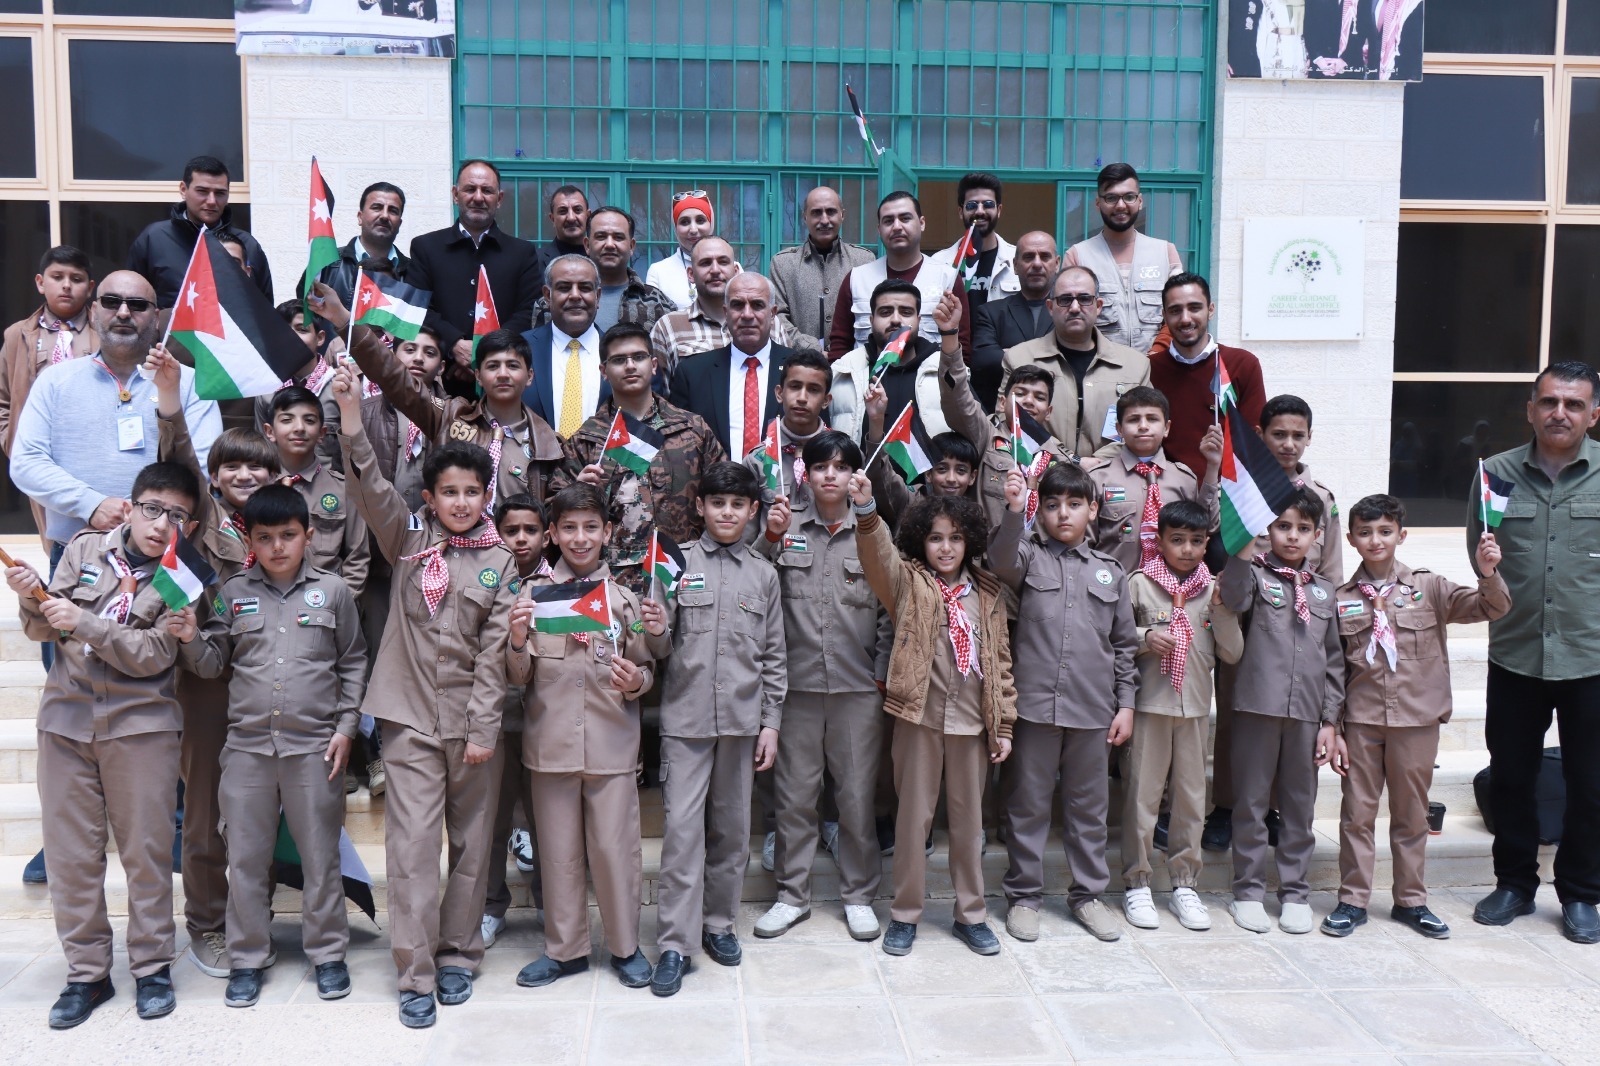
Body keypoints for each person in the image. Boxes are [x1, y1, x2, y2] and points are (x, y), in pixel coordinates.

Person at [332, 366, 516, 1029]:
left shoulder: (502, 562)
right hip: (408, 718)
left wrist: (483, 730)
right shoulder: (408, 543)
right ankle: (415, 973)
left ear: (485, 496)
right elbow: (372, 489)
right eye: (449, 492)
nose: (461, 502)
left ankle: (459, 954)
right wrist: (350, 416)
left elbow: (495, 654)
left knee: (471, 845)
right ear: (431, 498)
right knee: (411, 850)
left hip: (471, 725)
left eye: (471, 492)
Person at [9, 460, 204, 1029]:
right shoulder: (83, 549)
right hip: (66, 720)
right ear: (131, 506)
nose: (162, 524)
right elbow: (45, 627)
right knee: (71, 856)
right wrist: (30, 598)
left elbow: (154, 655)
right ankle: (87, 973)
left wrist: (86, 623)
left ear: (188, 526)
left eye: (177, 516)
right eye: (153, 509)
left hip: (141, 726)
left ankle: (152, 968)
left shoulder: (181, 578)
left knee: (146, 853)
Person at [181, 483, 367, 1007]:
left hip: (315, 747)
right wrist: (190, 638)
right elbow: (213, 664)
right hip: (247, 749)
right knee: (245, 857)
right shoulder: (233, 592)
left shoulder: (333, 591)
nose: (278, 547)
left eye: (288, 535)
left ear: (308, 535)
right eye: (265, 538)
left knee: (320, 856)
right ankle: (247, 958)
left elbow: (353, 660)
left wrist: (347, 726)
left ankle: (327, 954)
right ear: (250, 541)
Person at [1322, 493, 1509, 940]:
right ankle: (1352, 900)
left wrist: (1488, 574)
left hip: (1416, 722)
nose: (1375, 540)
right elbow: (1333, 668)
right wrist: (1335, 725)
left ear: (1401, 535)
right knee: (1356, 814)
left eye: (1385, 531)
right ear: (1351, 539)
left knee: (1411, 815)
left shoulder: (1431, 588)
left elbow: (1493, 607)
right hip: (1363, 722)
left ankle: (1411, 900)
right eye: (1365, 532)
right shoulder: (1341, 599)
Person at [148, 344, 276, 979]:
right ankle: (205, 923)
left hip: (268, 684)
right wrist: (171, 401)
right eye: (233, 469)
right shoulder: (204, 523)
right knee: (202, 812)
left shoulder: (283, 529)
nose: (245, 477)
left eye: (258, 469)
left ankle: (254, 915)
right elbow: (180, 459)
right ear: (217, 478)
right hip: (206, 683)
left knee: (259, 812)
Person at [1468, 361, 1600, 944]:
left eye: (1574, 404)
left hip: (1590, 657)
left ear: (1593, 415)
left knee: (1590, 785)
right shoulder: (1495, 475)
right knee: (1512, 778)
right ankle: (1515, 884)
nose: (1559, 413)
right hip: (1516, 653)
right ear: (1530, 409)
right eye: (1549, 401)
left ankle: (1582, 893)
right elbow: (1481, 556)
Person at [854, 479, 1014, 957]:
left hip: (972, 724)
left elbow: (1001, 662)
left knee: (969, 825)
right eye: (936, 538)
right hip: (918, 719)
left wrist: (1003, 724)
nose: (946, 548)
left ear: (970, 542)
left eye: (956, 538)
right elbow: (877, 558)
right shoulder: (909, 582)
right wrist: (866, 509)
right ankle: (905, 914)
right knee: (913, 821)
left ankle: (971, 914)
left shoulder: (987, 592)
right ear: (921, 542)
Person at [508, 483, 657, 991]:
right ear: (552, 534)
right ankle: (565, 950)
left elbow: (647, 668)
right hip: (550, 747)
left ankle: (625, 947)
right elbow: (518, 675)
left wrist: (636, 682)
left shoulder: (624, 601)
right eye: (568, 528)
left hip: (611, 747)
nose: (580, 537)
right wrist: (516, 640)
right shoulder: (532, 598)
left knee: (616, 852)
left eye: (591, 527)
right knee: (558, 855)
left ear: (608, 533)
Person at [645, 461, 786, 996]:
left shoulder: (764, 574)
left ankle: (719, 924)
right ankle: (675, 944)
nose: (727, 513)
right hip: (687, 721)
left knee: (731, 831)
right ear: (701, 507)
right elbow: (658, 647)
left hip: (743, 723)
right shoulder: (676, 563)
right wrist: (655, 629)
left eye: (738, 505)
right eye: (718, 503)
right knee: (683, 833)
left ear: (753, 511)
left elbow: (774, 656)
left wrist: (771, 723)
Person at [753, 431, 894, 944]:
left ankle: (858, 896)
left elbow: (890, 604)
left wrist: (880, 672)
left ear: (855, 475)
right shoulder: (784, 525)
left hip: (858, 689)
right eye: (820, 467)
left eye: (840, 466)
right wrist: (769, 538)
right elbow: (752, 583)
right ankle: (792, 896)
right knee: (794, 798)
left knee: (856, 798)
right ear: (805, 475)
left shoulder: (871, 529)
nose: (830, 475)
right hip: (796, 689)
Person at [989, 461, 1137, 943]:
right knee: (1028, 805)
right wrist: (1016, 510)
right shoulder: (1028, 556)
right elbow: (1000, 560)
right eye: (1052, 505)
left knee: (1088, 810)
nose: (1063, 514)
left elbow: (1123, 646)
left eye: (1075, 504)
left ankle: (1088, 895)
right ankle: (1024, 896)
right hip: (1034, 708)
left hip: (1093, 710)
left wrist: (1126, 704)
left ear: (1093, 509)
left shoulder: (1111, 572)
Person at [1207, 392, 1341, 853]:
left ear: (1309, 438)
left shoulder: (1322, 498)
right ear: (1260, 434)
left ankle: (1276, 809)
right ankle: (1227, 805)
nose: (1288, 443)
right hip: (1248, 619)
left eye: (1297, 435)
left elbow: (1331, 571)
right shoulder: (1244, 484)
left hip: (1300, 622)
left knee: (1292, 722)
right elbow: (1216, 534)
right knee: (1237, 716)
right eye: (1278, 434)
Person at [11, 271, 222, 553]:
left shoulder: (189, 383)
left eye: (137, 305)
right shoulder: (54, 380)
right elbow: (26, 462)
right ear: (94, 311)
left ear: (156, 318)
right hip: (75, 552)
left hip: (164, 552)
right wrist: (91, 504)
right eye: (111, 302)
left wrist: (143, 515)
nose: (123, 313)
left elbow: (204, 467)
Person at [1215, 487, 1344, 935]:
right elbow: (1232, 598)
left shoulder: (1324, 592)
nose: (1292, 536)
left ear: (1317, 535)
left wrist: (1330, 721)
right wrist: (1241, 551)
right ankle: (1248, 892)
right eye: (1283, 526)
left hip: (1307, 714)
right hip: (1258, 708)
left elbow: (1334, 662)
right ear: (1268, 530)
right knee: (1251, 804)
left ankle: (1295, 893)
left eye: (1303, 529)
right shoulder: (1253, 575)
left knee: (1299, 807)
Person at [313, 282, 566, 508]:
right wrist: (343, 319)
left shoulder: (549, 445)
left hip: (516, 546)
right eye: (492, 366)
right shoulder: (451, 416)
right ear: (478, 376)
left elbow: (555, 518)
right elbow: (393, 376)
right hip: (449, 544)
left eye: (512, 366)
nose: (502, 374)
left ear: (529, 376)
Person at [1119, 499, 1242, 932]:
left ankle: (1185, 883)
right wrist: (1145, 637)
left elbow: (1232, 652)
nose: (1187, 549)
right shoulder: (1138, 585)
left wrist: (1222, 610)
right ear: (1159, 541)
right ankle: (1137, 882)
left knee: (1191, 799)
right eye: (1177, 540)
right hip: (1150, 707)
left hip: (1194, 710)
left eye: (1196, 541)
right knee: (1142, 797)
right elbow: (1114, 638)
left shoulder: (1213, 590)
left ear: (1207, 544)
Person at [554, 322, 724, 597]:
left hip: (688, 575)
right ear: (604, 371)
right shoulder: (586, 440)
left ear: (654, 365)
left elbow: (724, 494)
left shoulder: (693, 430)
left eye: (639, 357)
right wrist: (577, 491)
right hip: (615, 586)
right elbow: (554, 514)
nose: (630, 366)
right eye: (619, 360)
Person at [355, 325, 447, 796]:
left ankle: (432, 746)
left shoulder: (450, 416)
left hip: (432, 557)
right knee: (378, 655)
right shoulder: (366, 411)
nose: (418, 358)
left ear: (441, 366)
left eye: (430, 352)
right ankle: (376, 754)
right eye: (410, 348)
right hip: (376, 559)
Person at [406, 159, 544, 393]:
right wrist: (454, 345)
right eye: (470, 189)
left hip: (502, 380)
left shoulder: (522, 252)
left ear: (499, 199)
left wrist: (483, 354)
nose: (478, 197)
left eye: (487, 190)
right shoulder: (426, 247)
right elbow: (417, 307)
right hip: (441, 380)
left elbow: (528, 311)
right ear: (455, 194)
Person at [480, 494, 550, 949]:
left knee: (548, 819)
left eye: (530, 530)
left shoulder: (560, 583)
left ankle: (551, 901)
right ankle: (490, 906)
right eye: (511, 531)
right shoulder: (486, 578)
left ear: (546, 535)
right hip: (496, 717)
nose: (521, 539)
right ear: (497, 534)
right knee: (491, 818)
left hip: (545, 720)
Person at [998, 265, 1151, 458]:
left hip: (1113, 472)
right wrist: (1070, 460)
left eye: (1085, 299)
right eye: (1065, 300)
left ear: (1099, 306)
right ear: (1050, 307)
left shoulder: (1135, 366)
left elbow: (1147, 426)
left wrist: (1099, 463)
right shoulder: (1019, 358)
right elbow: (1006, 419)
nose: (1075, 308)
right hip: (1043, 471)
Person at [0, 246, 98, 547]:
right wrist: (13, 441)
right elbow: (4, 399)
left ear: (90, 287)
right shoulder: (18, 335)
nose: (66, 285)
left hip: (92, 450)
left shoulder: (105, 331)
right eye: (57, 277)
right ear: (41, 283)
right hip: (41, 453)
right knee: (54, 540)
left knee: (98, 534)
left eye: (76, 279)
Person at [1083, 386, 1220, 575]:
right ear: (1119, 429)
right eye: (1133, 419)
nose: (1143, 426)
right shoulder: (1098, 478)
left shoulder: (1184, 478)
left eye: (1152, 419)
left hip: (1173, 587)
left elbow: (1209, 527)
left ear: (1167, 428)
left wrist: (1212, 466)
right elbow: (1084, 542)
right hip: (1114, 585)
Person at [939, 342, 1072, 533]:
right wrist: (950, 339)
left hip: (1039, 551)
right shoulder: (985, 435)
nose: (1029, 401)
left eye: (1039, 397)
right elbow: (958, 397)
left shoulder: (1059, 460)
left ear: (1048, 411)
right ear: (1002, 402)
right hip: (988, 550)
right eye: (1020, 394)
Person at [1148, 273, 1266, 481]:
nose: (1185, 319)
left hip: (1227, 491)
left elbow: (1254, 440)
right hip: (1166, 489)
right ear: (1165, 316)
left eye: (1194, 308)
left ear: (1210, 310)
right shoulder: (1149, 369)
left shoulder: (1242, 364)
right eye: (1175, 310)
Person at [826, 192, 971, 360]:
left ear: (922, 223)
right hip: (866, 376)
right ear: (879, 230)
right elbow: (840, 347)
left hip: (930, 376)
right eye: (888, 221)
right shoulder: (856, 279)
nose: (896, 226)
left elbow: (962, 348)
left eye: (905, 218)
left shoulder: (947, 279)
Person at [669, 273, 795, 459]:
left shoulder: (799, 369)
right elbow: (678, 447)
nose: (747, 315)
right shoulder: (692, 373)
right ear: (726, 312)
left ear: (773, 313)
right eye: (738, 305)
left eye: (757, 305)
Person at [261, 387, 369, 600]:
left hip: (326, 605)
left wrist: (336, 606)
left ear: (322, 433)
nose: (299, 428)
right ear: (269, 431)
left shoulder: (344, 490)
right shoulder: (257, 487)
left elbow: (357, 559)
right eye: (287, 420)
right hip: (266, 602)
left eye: (309, 420)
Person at [652, 238, 814, 380]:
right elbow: (657, 395)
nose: (715, 270)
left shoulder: (771, 323)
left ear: (736, 271)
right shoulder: (669, 327)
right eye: (705, 263)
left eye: (723, 262)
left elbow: (787, 377)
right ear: (691, 274)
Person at [1063, 163, 1183, 353]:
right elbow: (1070, 317)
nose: (1120, 205)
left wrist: (1157, 352)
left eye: (1129, 197)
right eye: (1111, 198)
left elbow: (1179, 310)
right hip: (1098, 365)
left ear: (1140, 201)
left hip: (1156, 364)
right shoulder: (1077, 256)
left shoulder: (1165, 252)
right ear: (1098, 203)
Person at [126, 155, 272, 307]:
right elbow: (131, 301)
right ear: (183, 189)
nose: (211, 201)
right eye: (202, 191)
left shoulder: (248, 245)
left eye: (220, 193)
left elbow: (265, 311)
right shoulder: (154, 239)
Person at [829, 280, 956, 445]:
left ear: (918, 320)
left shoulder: (945, 369)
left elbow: (973, 432)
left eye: (906, 312)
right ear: (871, 320)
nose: (896, 320)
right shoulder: (843, 370)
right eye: (885, 312)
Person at [770, 186, 876, 345]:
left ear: (842, 215)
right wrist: (810, 348)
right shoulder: (783, 264)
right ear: (805, 217)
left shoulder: (863, 260)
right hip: (799, 358)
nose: (825, 220)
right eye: (816, 212)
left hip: (854, 356)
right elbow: (778, 317)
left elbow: (872, 314)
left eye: (831, 212)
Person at [969, 231, 1058, 412]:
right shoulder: (991, 312)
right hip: (1004, 417)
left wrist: (1009, 353)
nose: (1037, 264)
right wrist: (1049, 356)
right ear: (1015, 266)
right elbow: (984, 361)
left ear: (1057, 264)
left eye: (1044, 257)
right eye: (1029, 257)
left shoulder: (1068, 312)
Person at [742, 349, 834, 519]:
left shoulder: (842, 454)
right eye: (795, 387)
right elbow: (746, 531)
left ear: (826, 401)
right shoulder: (758, 461)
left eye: (814, 389)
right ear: (779, 393)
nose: (802, 398)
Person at [254, 301, 343, 469]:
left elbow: (353, 450)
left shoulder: (338, 388)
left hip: (328, 483)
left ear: (320, 338)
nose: (291, 337)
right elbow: (261, 451)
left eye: (302, 329)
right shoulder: (266, 390)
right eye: (283, 331)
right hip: (279, 482)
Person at [521, 253, 603, 435]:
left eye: (585, 288)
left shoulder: (619, 354)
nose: (575, 296)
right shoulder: (519, 349)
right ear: (547, 295)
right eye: (564, 288)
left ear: (597, 296)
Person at [574, 206, 676, 335]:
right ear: (587, 245)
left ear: (631, 246)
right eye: (601, 236)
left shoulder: (659, 303)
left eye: (618, 237)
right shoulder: (565, 299)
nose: (609, 244)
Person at [317, 181, 412, 309]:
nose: (384, 216)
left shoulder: (414, 272)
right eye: (376, 207)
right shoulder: (327, 263)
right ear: (360, 217)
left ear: (399, 224)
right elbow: (305, 313)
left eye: (393, 211)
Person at [935, 173, 1018, 310]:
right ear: (961, 212)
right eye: (971, 205)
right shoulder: (938, 262)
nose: (980, 211)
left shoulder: (1017, 259)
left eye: (988, 204)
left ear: (999, 210)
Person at [646, 190, 716, 310]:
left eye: (700, 220)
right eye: (684, 222)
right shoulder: (658, 272)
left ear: (711, 224)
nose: (693, 229)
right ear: (675, 227)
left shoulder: (731, 268)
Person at [535, 185, 590, 274]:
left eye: (577, 210)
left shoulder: (601, 259)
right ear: (552, 219)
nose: (571, 218)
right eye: (563, 211)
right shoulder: (534, 261)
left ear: (588, 215)